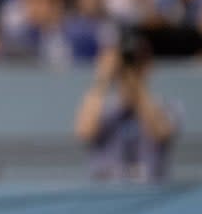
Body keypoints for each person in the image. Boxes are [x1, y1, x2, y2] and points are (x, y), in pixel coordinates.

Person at [73, 34, 180, 182]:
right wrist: (103, 77)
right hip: (106, 192)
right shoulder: (101, 106)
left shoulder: (165, 105)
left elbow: (161, 132)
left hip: (151, 189)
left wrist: (135, 80)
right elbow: (85, 131)